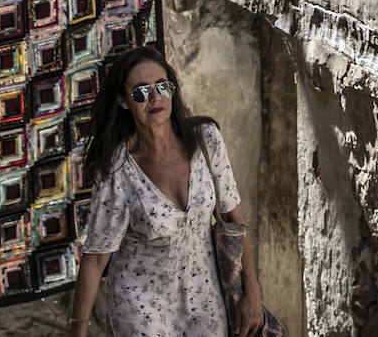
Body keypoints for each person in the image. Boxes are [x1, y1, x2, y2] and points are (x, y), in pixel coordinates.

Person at [67, 47, 264, 336]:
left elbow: (233, 219)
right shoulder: (118, 168)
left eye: (162, 86)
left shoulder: (206, 140)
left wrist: (253, 292)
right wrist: (77, 329)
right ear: (123, 101)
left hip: (205, 301)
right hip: (141, 306)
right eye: (140, 92)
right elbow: (96, 257)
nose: (155, 98)